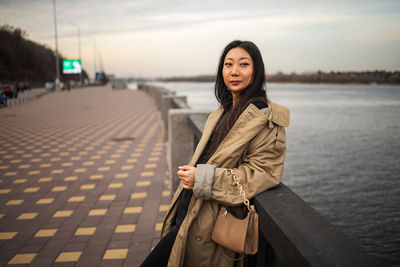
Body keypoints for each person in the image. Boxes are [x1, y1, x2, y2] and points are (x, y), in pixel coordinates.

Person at [141, 40, 290, 267]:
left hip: (211, 223)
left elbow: (262, 174)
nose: (234, 71)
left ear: (256, 71)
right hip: (190, 213)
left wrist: (202, 178)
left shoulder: (266, 118)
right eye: (228, 64)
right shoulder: (224, 111)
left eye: (244, 64)